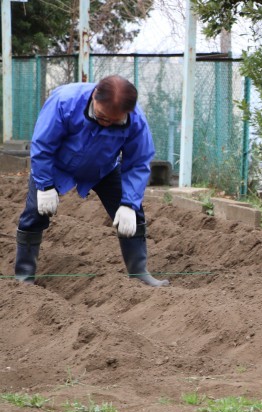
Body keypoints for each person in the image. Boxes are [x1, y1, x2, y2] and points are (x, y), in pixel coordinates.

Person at [14, 75, 169, 287]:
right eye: (101, 116)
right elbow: (42, 145)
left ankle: (139, 273)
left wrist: (129, 204)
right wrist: (45, 185)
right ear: (95, 95)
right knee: (34, 213)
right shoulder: (65, 101)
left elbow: (138, 163)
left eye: (114, 122)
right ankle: (24, 278)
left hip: (103, 168)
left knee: (134, 214)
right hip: (58, 166)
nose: (106, 124)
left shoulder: (136, 121)